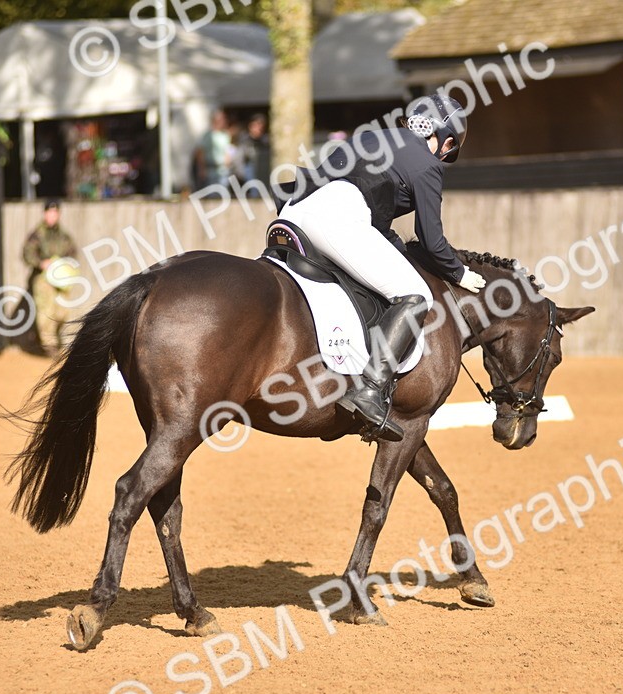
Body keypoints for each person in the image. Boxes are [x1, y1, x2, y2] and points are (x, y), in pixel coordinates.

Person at [276, 94, 486, 442]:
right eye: (450, 147)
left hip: (292, 212)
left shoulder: (369, 136)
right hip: (338, 218)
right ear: (445, 139)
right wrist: (459, 272)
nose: (446, 153)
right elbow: (431, 240)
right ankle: (370, 390)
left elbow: (373, 209)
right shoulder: (426, 164)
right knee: (416, 293)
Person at [22, 200, 79, 357]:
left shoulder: (63, 236)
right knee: (46, 311)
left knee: (63, 311)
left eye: (55, 212)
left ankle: (48, 339)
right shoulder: (37, 234)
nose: (52, 216)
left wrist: (66, 264)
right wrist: (41, 263)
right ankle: (50, 346)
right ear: (45, 213)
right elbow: (27, 253)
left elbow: (73, 253)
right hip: (43, 278)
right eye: (49, 212)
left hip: (61, 279)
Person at [193, 109, 232, 189]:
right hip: (210, 169)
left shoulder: (225, 135)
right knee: (212, 194)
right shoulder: (207, 135)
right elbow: (200, 152)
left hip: (222, 170)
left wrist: (228, 164)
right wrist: (201, 169)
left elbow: (227, 151)